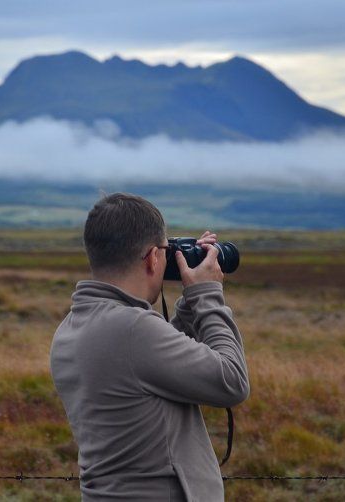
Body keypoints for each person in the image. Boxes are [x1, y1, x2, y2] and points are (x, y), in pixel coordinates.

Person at [49, 192, 249, 501]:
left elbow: (150, 365)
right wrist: (207, 293)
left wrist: (188, 304)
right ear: (153, 258)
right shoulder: (132, 330)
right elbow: (232, 382)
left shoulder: (73, 327)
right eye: (167, 252)